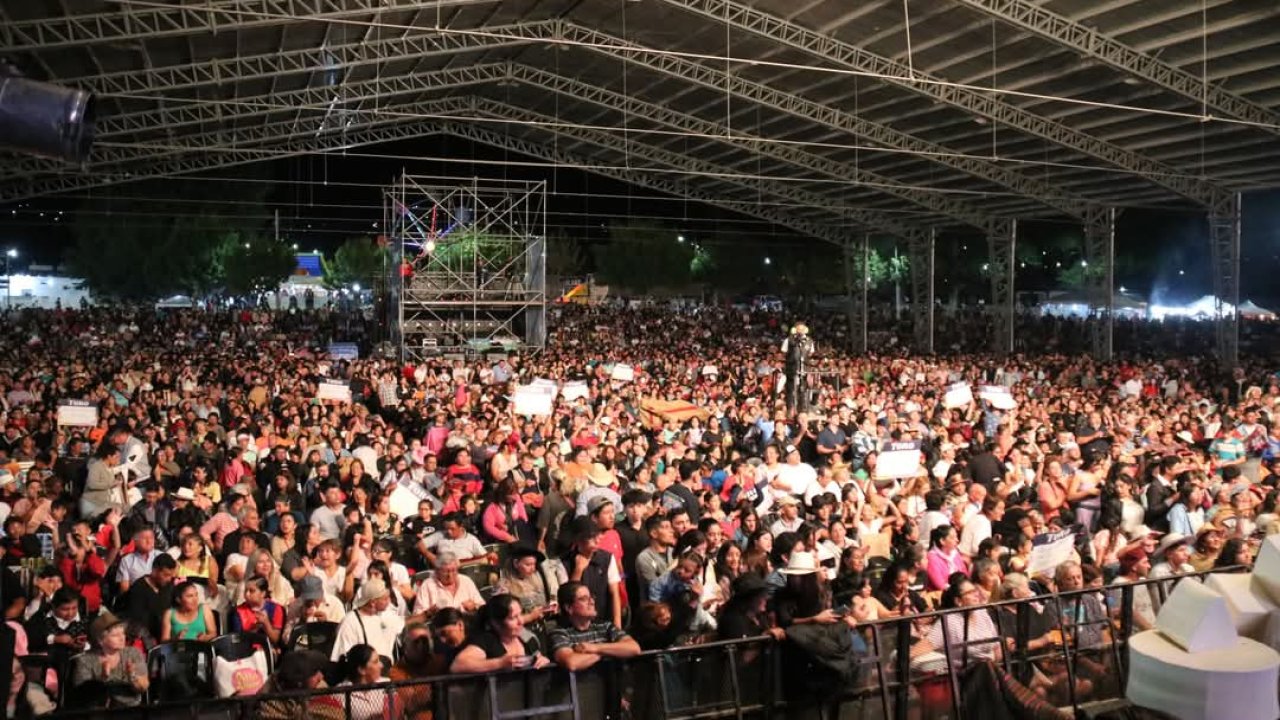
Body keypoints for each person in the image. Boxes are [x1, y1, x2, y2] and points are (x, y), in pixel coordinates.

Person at [547, 581, 640, 671]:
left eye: (591, 597)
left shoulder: (605, 626)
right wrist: (609, 652)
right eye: (584, 599)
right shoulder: (559, 633)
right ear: (568, 608)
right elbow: (572, 663)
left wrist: (595, 648)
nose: (591, 602)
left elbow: (634, 648)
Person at [67, 612, 149, 710]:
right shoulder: (85, 660)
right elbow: (82, 697)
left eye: (123, 633)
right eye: (115, 635)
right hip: (98, 712)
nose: (122, 638)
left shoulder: (133, 653)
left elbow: (143, 688)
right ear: (100, 640)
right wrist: (102, 678)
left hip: (130, 709)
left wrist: (133, 676)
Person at [450, 593, 550, 673]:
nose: (520, 621)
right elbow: (458, 665)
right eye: (513, 618)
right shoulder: (487, 640)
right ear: (496, 623)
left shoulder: (526, 637)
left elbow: (538, 657)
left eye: (520, 614)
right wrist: (499, 663)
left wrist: (544, 662)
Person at [258, 649, 344, 720]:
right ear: (299, 681)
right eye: (313, 673)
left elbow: (338, 714)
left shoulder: (319, 686)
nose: (320, 677)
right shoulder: (269, 703)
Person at [332, 578, 404, 662]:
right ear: (372, 602)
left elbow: (405, 622)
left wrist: (423, 615)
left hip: (386, 669)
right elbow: (342, 657)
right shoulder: (350, 622)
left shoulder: (386, 615)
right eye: (385, 599)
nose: (389, 601)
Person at [119, 553, 177, 641]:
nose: (169, 579)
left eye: (170, 575)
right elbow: (137, 620)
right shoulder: (138, 588)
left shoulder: (169, 586)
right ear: (154, 571)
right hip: (145, 637)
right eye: (165, 575)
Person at [334, 644, 397, 720]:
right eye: (376, 662)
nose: (381, 665)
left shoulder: (387, 684)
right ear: (361, 669)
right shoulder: (340, 694)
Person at [413, 552, 482, 616]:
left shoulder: (466, 581)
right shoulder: (427, 585)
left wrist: (474, 606)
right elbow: (417, 614)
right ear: (437, 571)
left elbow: (482, 606)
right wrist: (431, 612)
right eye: (446, 572)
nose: (450, 575)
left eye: (453, 570)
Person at [229, 574, 285, 646]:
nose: (247, 594)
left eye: (251, 591)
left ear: (263, 593)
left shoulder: (276, 608)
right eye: (246, 590)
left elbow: (275, 639)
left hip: (268, 648)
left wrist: (266, 623)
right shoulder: (238, 611)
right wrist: (256, 628)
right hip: (245, 649)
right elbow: (238, 640)